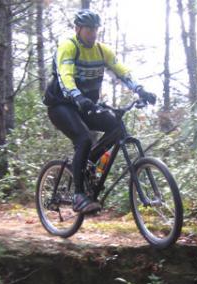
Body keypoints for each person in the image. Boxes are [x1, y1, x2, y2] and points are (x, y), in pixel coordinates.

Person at [45, 9, 156, 214]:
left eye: (95, 29)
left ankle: (87, 164)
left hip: (86, 104)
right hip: (62, 105)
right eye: (88, 29)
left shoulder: (102, 50)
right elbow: (65, 76)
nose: (93, 33)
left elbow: (122, 70)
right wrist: (77, 96)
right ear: (78, 29)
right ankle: (78, 195)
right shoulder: (68, 46)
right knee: (84, 139)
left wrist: (140, 89)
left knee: (116, 126)